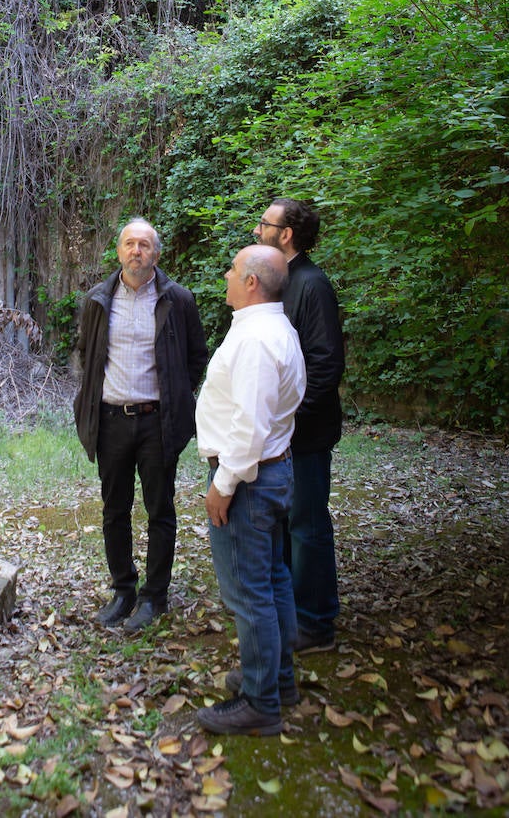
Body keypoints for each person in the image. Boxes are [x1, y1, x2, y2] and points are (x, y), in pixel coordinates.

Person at [74, 218, 208, 633]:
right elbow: (87, 353)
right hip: (112, 420)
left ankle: (154, 596)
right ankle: (123, 591)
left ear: (156, 253)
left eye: (144, 245)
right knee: (115, 510)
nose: (136, 251)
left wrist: (176, 396)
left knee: (159, 509)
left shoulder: (178, 299)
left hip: (157, 422)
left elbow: (196, 358)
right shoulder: (98, 300)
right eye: (130, 244)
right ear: (118, 251)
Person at [195, 244, 306, 736]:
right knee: (274, 579)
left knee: (249, 593)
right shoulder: (274, 328)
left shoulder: (258, 340)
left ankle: (261, 704)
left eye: (233, 269)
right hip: (270, 473)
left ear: (252, 282)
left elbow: (249, 428)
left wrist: (222, 485)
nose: (226, 274)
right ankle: (278, 680)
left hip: (249, 481)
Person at [253, 198, 345, 653]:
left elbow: (326, 366)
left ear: (286, 234)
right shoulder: (282, 281)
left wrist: (289, 420)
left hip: (304, 436)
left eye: (264, 224)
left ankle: (316, 623)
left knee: (307, 528)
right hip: (281, 436)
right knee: (286, 526)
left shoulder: (312, 285)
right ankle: (292, 616)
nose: (257, 230)